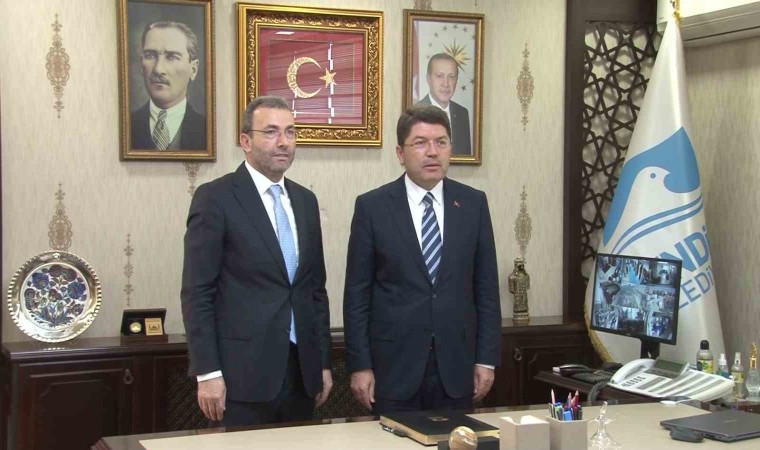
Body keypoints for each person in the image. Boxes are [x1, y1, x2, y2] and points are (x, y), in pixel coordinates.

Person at [181, 96, 332, 427]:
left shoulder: (305, 201)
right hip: (241, 377)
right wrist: (207, 372)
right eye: (271, 132)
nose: (284, 142)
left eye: (290, 132)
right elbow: (198, 292)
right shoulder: (215, 198)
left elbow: (314, 290)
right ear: (245, 141)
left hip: (302, 374)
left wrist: (322, 362)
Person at [343, 105, 501, 414]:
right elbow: (357, 296)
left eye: (441, 142)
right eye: (420, 143)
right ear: (400, 153)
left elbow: (486, 290)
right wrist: (360, 365)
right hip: (393, 369)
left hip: (457, 367)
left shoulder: (473, 204)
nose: (432, 152)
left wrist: (486, 359)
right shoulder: (372, 207)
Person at [131, 21, 206, 150]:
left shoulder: (206, 130)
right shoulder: (127, 126)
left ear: (193, 69)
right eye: (150, 56)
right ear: (141, 64)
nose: (158, 69)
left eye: (171, 57)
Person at [416, 53, 472, 156]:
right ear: (428, 79)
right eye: (440, 76)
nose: (446, 84)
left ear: (456, 80)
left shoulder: (462, 113)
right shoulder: (415, 113)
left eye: (451, 77)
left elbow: (465, 157)